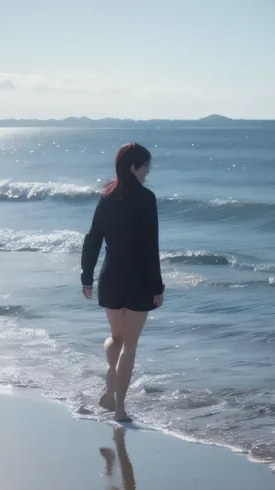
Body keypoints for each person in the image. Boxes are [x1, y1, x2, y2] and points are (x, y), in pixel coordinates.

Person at [81, 143, 164, 423]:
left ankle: (109, 390)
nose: (147, 173)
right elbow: (150, 248)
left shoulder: (107, 197)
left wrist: (86, 277)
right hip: (139, 280)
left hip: (111, 278)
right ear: (133, 167)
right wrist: (158, 287)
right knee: (129, 345)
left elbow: (93, 238)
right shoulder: (146, 199)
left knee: (115, 339)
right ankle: (119, 408)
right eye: (145, 168)